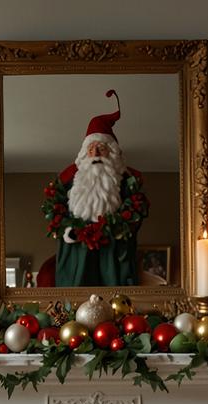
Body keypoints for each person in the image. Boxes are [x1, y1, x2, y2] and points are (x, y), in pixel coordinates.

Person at [41, 91, 149, 287]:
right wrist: (68, 230)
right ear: (84, 154)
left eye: (102, 149)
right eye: (91, 149)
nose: (96, 154)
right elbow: (54, 206)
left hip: (114, 258)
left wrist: (118, 229)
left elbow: (136, 212)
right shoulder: (69, 181)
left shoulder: (126, 183)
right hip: (76, 257)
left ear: (112, 154)